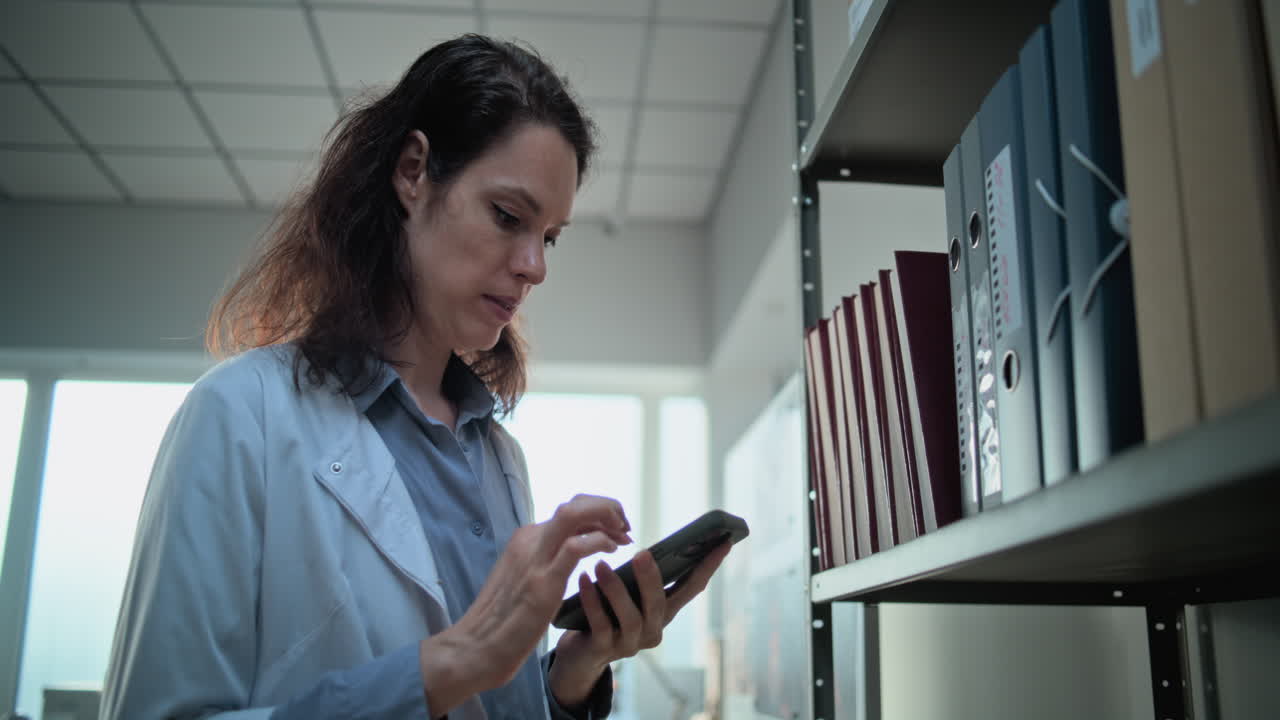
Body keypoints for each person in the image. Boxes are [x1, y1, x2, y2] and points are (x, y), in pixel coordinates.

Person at [100, 34, 730, 720]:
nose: (536, 266)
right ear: (413, 171)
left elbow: (489, 699)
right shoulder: (238, 415)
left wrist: (570, 677)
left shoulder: (498, 457)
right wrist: (451, 663)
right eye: (508, 217)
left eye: (549, 236)